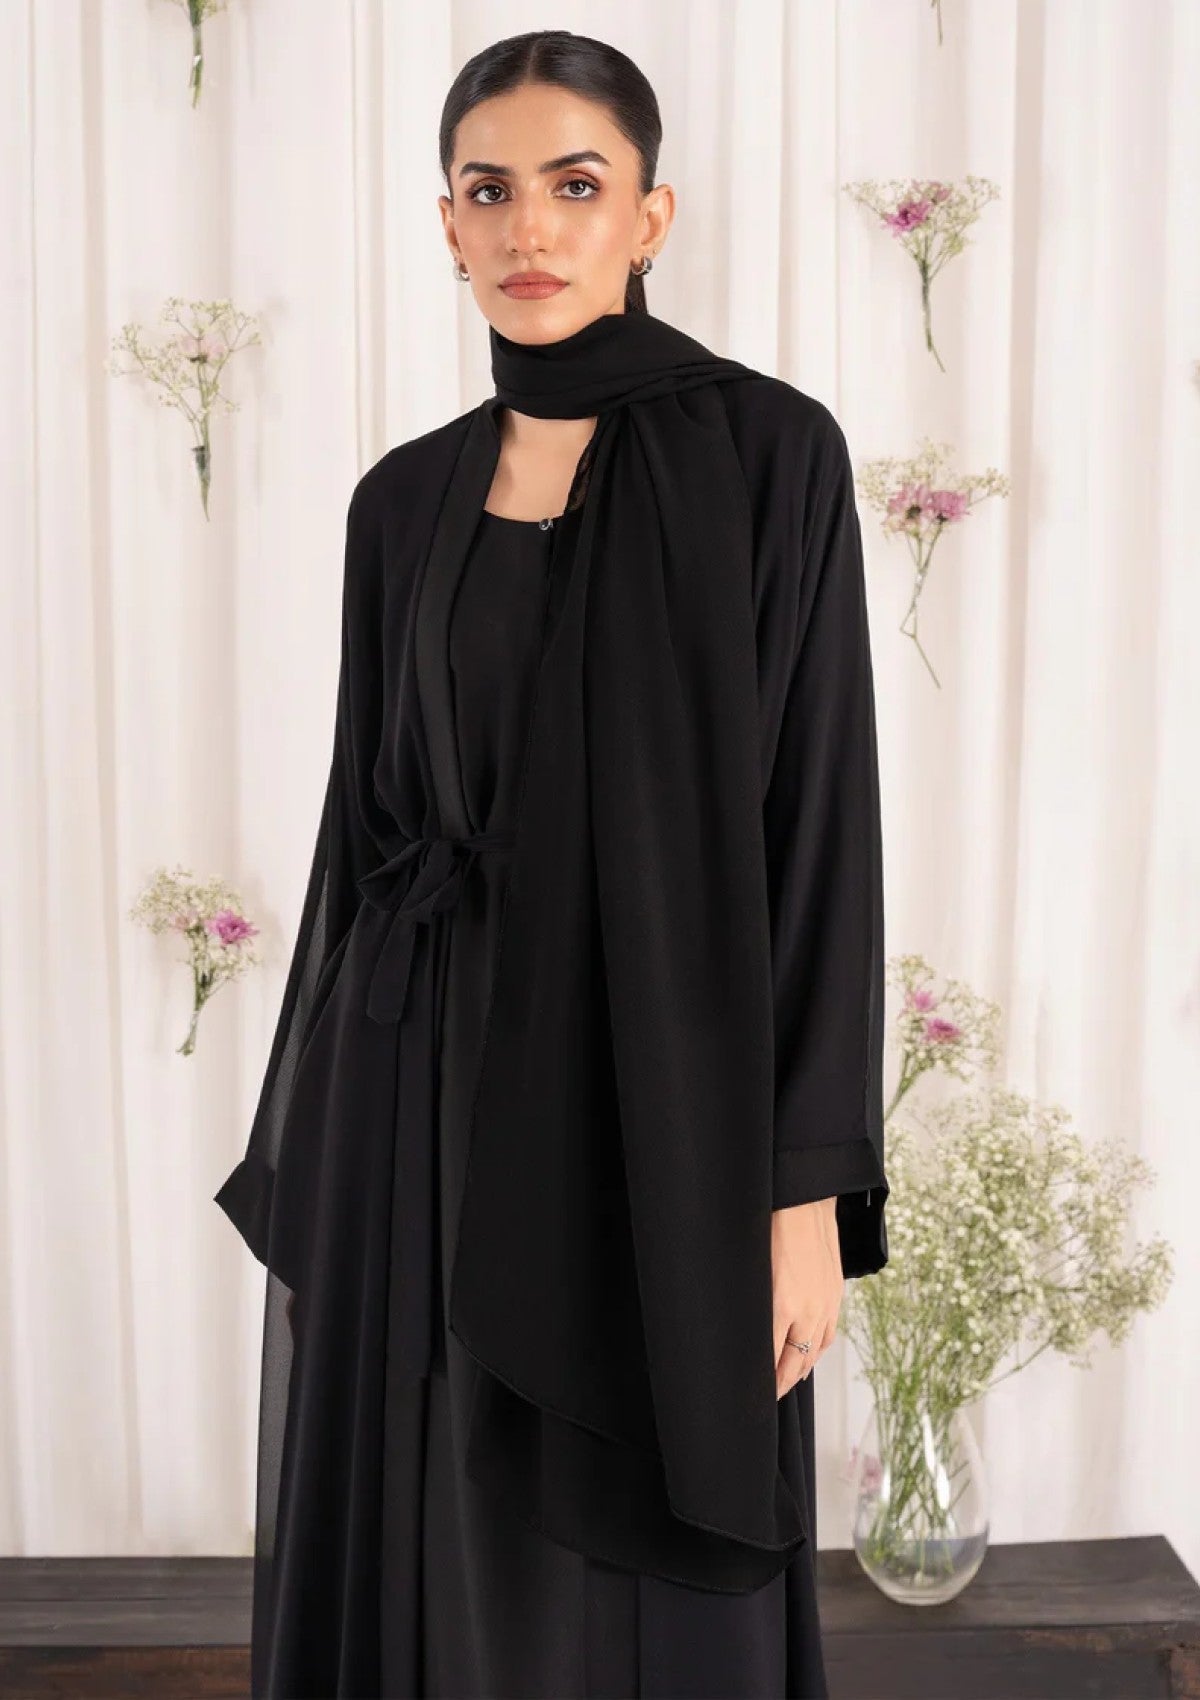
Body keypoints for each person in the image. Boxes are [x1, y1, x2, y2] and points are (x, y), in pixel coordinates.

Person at [214, 27, 889, 1700]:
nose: (531, 227)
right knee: (440, 1535)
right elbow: (363, 840)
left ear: (651, 217)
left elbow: (817, 833)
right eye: (490, 189)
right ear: (445, 222)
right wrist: (334, 1158)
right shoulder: (402, 504)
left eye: (576, 187)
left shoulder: (770, 457)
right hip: (422, 1100)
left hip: (664, 1101)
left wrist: (804, 1194)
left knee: (649, 1549)